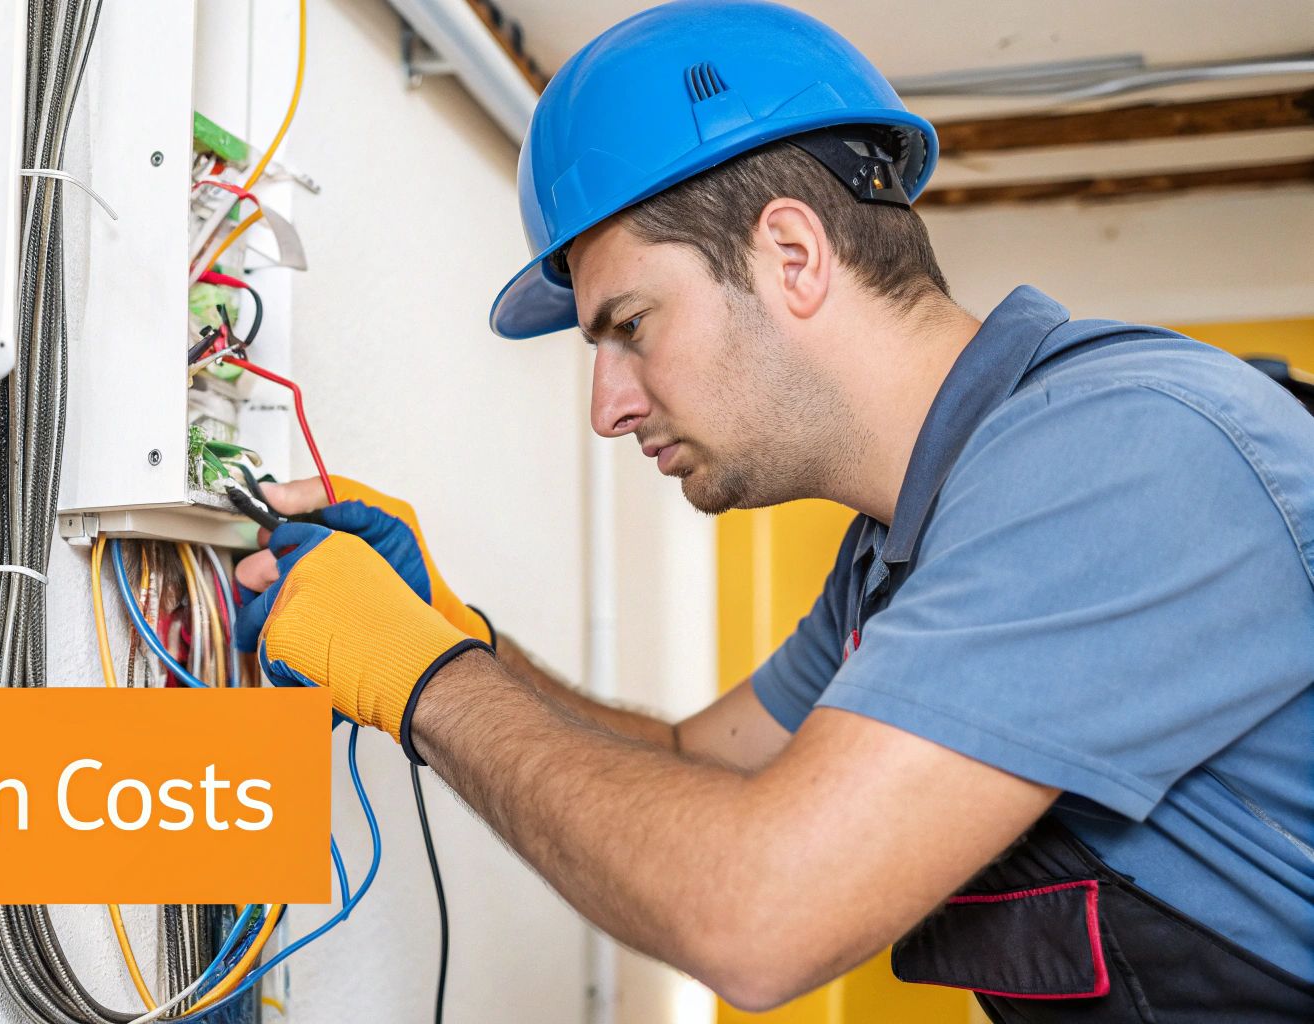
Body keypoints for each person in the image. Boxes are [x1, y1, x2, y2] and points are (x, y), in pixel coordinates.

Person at [234, 2, 1314, 1017]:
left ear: (790, 255)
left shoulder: (1122, 456)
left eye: (630, 324)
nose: (607, 408)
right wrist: (461, 636)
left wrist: (421, 680)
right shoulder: (905, 544)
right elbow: (693, 763)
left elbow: (756, 915)